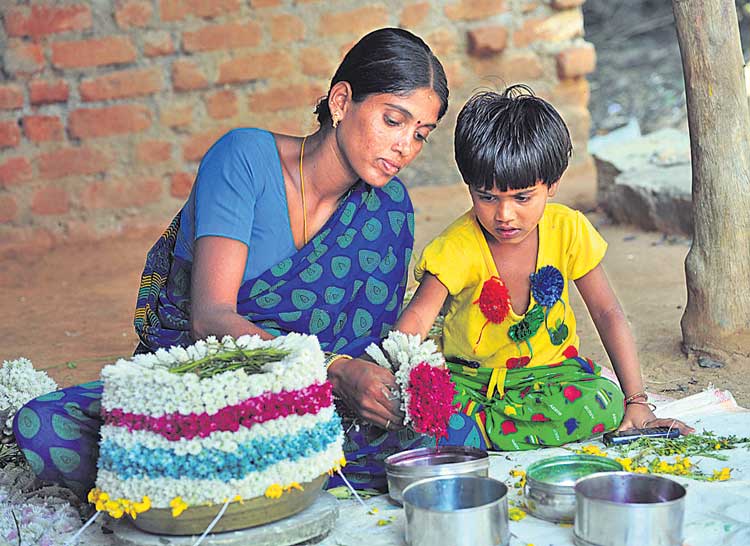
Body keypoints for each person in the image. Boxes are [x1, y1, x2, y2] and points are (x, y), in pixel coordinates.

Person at [13, 27, 449, 496]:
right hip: (213, 390)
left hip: (318, 409)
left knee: (451, 436)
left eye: (421, 134)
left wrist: (379, 387)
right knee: (45, 425)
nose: (406, 146)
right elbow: (210, 318)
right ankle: (280, 473)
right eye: (393, 120)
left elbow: (370, 345)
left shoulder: (388, 209)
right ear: (341, 101)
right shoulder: (244, 159)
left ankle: (228, 479)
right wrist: (334, 368)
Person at [394, 85, 694, 451]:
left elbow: (607, 311)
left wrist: (637, 402)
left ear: (552, 185)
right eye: (487, 197)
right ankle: (467, 427)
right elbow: (416, 320)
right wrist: (408, 381)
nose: (504, 215)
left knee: (604, 400)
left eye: (522, 198)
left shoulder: (568, 230)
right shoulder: (456, 245)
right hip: (470, 381)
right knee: (426, 404)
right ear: (469, 186)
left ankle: (471, 434)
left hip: (551, 377)